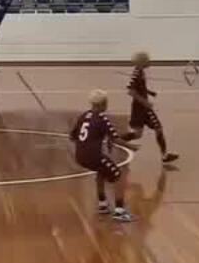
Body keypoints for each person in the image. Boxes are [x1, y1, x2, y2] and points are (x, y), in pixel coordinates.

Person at [70, 90, 133, 223]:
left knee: (101, 171)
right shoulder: (102, 118)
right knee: (118, 176)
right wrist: (132, 147)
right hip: (94, 156)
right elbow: (115, 138)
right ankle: (119, 211)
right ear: (103, 104)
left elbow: (73, 136)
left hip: (80, 156)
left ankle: (102, 204)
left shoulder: (83, 116)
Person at [120, 51, 179, 165]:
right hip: (140, 108)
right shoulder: (136, 74)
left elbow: (139, 88)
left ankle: (164, 155)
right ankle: (115, 140)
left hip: (144, 108)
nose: (149, 61)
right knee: (139, 134)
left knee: (157, 128)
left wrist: (149, 92)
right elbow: (131, 91)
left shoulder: (141, 72)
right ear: (142, 62)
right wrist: (145, 102)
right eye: (147, 60)